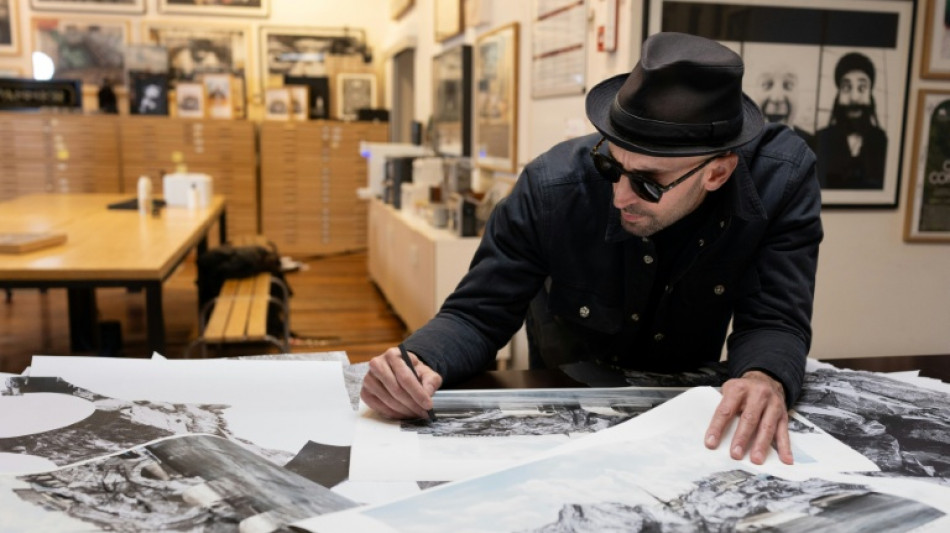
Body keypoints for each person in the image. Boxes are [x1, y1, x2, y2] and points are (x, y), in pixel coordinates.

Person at [361, 32, 823, 466]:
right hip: (565, 402)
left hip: (687, 423)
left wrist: (764, 376)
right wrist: (420, 362)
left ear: (717, 174)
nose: (620, 195)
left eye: (648, 182)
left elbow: (775, 316)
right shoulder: (552, 187)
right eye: (611, 164)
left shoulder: (781, 179)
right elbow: (478, 313)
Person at [814, 52, 887, 189]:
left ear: (870, 94)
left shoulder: (881, 140)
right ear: (838, 94)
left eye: (862, 88)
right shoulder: (822, 139)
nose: (854, 97)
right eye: (846, 88)